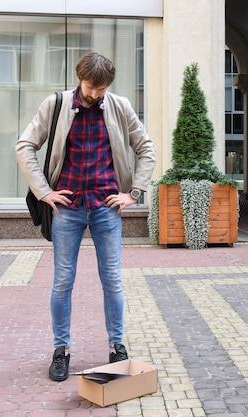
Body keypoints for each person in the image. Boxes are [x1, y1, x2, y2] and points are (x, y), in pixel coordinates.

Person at [15, 52, 156, 382]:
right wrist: (43, 191)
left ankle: (117, 348)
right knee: (63, 280)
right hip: (68, 209)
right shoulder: (57, 105)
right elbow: (25, 145)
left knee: (112, 280)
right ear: (80, 79)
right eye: (92, 87)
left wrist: (133, 192)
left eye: (103, 88)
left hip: (107, 208)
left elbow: (146, 148)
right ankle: (61, 351)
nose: (96, 94)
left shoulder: (119, 106)